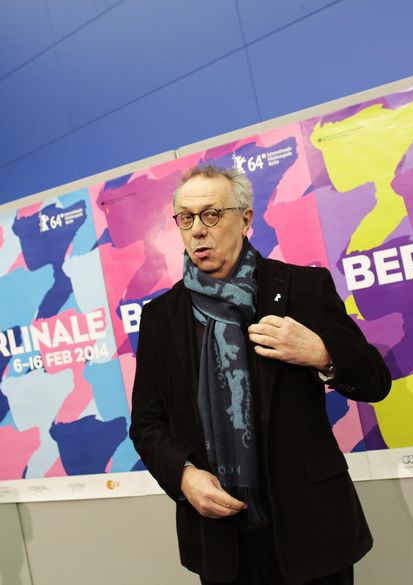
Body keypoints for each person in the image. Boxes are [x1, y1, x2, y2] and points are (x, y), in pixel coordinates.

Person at [129, 165, 392, 585]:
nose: (198, 230)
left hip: (311, 530)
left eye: (212, 214)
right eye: (186, 218)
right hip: (220, 537)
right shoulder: (161, 318)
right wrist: (183, 477)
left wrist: (322, 354)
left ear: (245, 219)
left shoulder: (303, 289)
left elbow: (375, 381)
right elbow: (147, 423)